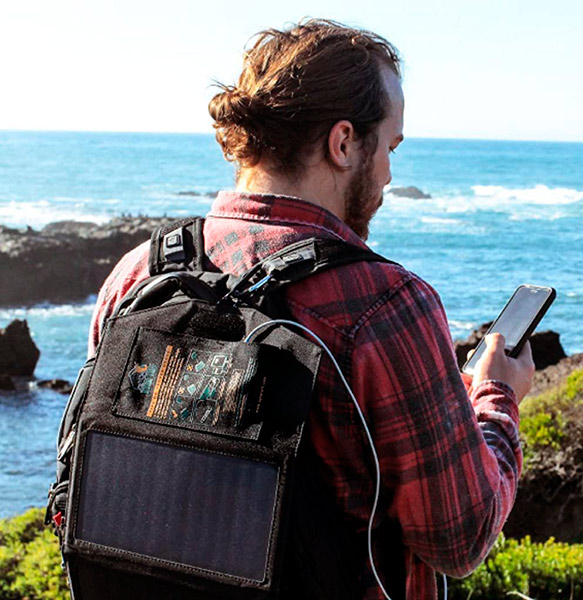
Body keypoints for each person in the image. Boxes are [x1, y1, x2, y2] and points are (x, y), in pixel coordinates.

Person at [88, 19, 534, 600]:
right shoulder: (385, 305)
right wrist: (495, 397)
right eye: (390, 146)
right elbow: (460, 535)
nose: (391, 174)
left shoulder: (139, 275)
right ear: (344, 142)